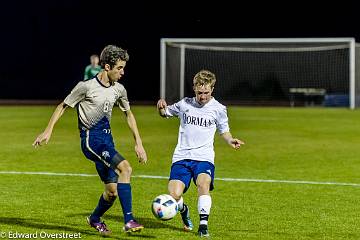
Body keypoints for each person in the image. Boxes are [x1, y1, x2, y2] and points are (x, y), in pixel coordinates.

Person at [33, 45, 147, 236]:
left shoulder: (119, 89)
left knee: (112, 192)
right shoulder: (85, 86)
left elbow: (128, 114)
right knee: (125, 168)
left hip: (107, 141)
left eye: (123, 67)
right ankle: (129, 220)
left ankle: (94, 219)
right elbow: (63, 106)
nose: (123, 72)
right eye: (119, 68)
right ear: (107, 67)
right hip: (91, 140)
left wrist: (139, 142)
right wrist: (48, 131)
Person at [156, 70, 244, 237]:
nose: (202, 96)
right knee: (174, 195)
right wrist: (161, 108)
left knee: (203, 184)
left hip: (204, 157)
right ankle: (184, 210)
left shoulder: (219, 109)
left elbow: (224, 131)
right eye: (199, 93)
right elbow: (165, 113)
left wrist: (230, 140)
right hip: (182, 156)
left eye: (206, 92)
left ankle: (203, 225)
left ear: (212, 89)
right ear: (194, 88)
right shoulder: (184, 104)